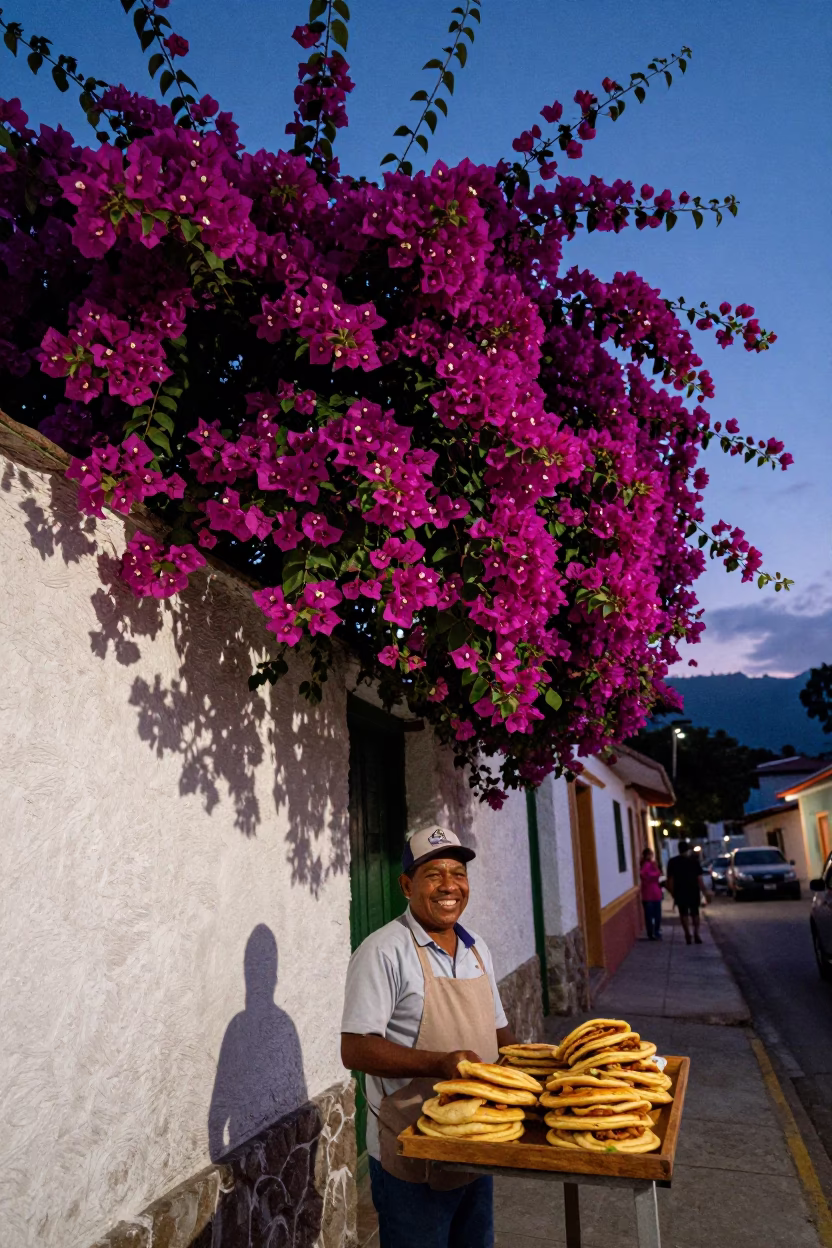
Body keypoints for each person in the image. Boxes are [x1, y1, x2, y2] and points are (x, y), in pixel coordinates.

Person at [341, 824, 517, 1248]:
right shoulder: (383, 951)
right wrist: (440, 1063)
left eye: (458, 874)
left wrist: (539, 1069)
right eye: (433, 874)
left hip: (475, 1140)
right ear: (406, 884)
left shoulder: (478, 949)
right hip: (411, 1146)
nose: (449, 886)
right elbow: (356, 1048)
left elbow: (500, 1032)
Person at [665, 839, 710, 944]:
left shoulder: (673, 862)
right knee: (695, 913)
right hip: (693, 889)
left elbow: (670, 879)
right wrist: (704, 891)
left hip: (680, 890)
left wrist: (672, 892)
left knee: (683, 913)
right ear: (688, 849)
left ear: (678, 849)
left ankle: (687, 934)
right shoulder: (694, 861)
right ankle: (696, 933)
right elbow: (699, 879)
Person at [640, 847, 663, 940]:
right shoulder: (645, 865)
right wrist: (654, 875)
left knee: (656, 915)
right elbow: (644, 875)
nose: (651, 856)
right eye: (649, 854)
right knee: (650, 916)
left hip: (655, 893)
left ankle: (655, 932)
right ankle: (652, 932)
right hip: (648, 894)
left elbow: (658, 873)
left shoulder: (653, 865)